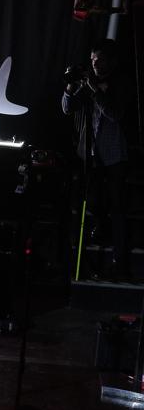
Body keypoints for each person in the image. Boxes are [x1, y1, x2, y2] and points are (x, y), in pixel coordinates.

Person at [61, 39, 133, 279]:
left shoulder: (120, 83)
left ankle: (120, 262)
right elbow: (67, 108)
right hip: (89, 152)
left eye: (100, 59)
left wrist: (94, 90)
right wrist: (70, 87)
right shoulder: (88, 82)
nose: (95, 64)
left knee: (118, 205)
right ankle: (101, 227)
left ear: (111, 61)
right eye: (93, 59)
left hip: (114, 153)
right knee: (91, 200)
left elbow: (115, 114)